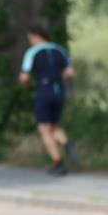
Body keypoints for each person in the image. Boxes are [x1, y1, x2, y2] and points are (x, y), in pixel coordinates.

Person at [19, 26, 77, 176]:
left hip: (44, 90)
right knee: (52, 127)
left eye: (30, 38)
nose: (30, 42)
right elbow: (70, 72)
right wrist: (57, 77)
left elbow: (24, 77)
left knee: (44, 129)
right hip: (59, 90)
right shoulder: (60, 50)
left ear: (35, 36)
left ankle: (59, 163)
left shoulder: (32, 52)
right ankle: (67, 142)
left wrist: (26, 84)